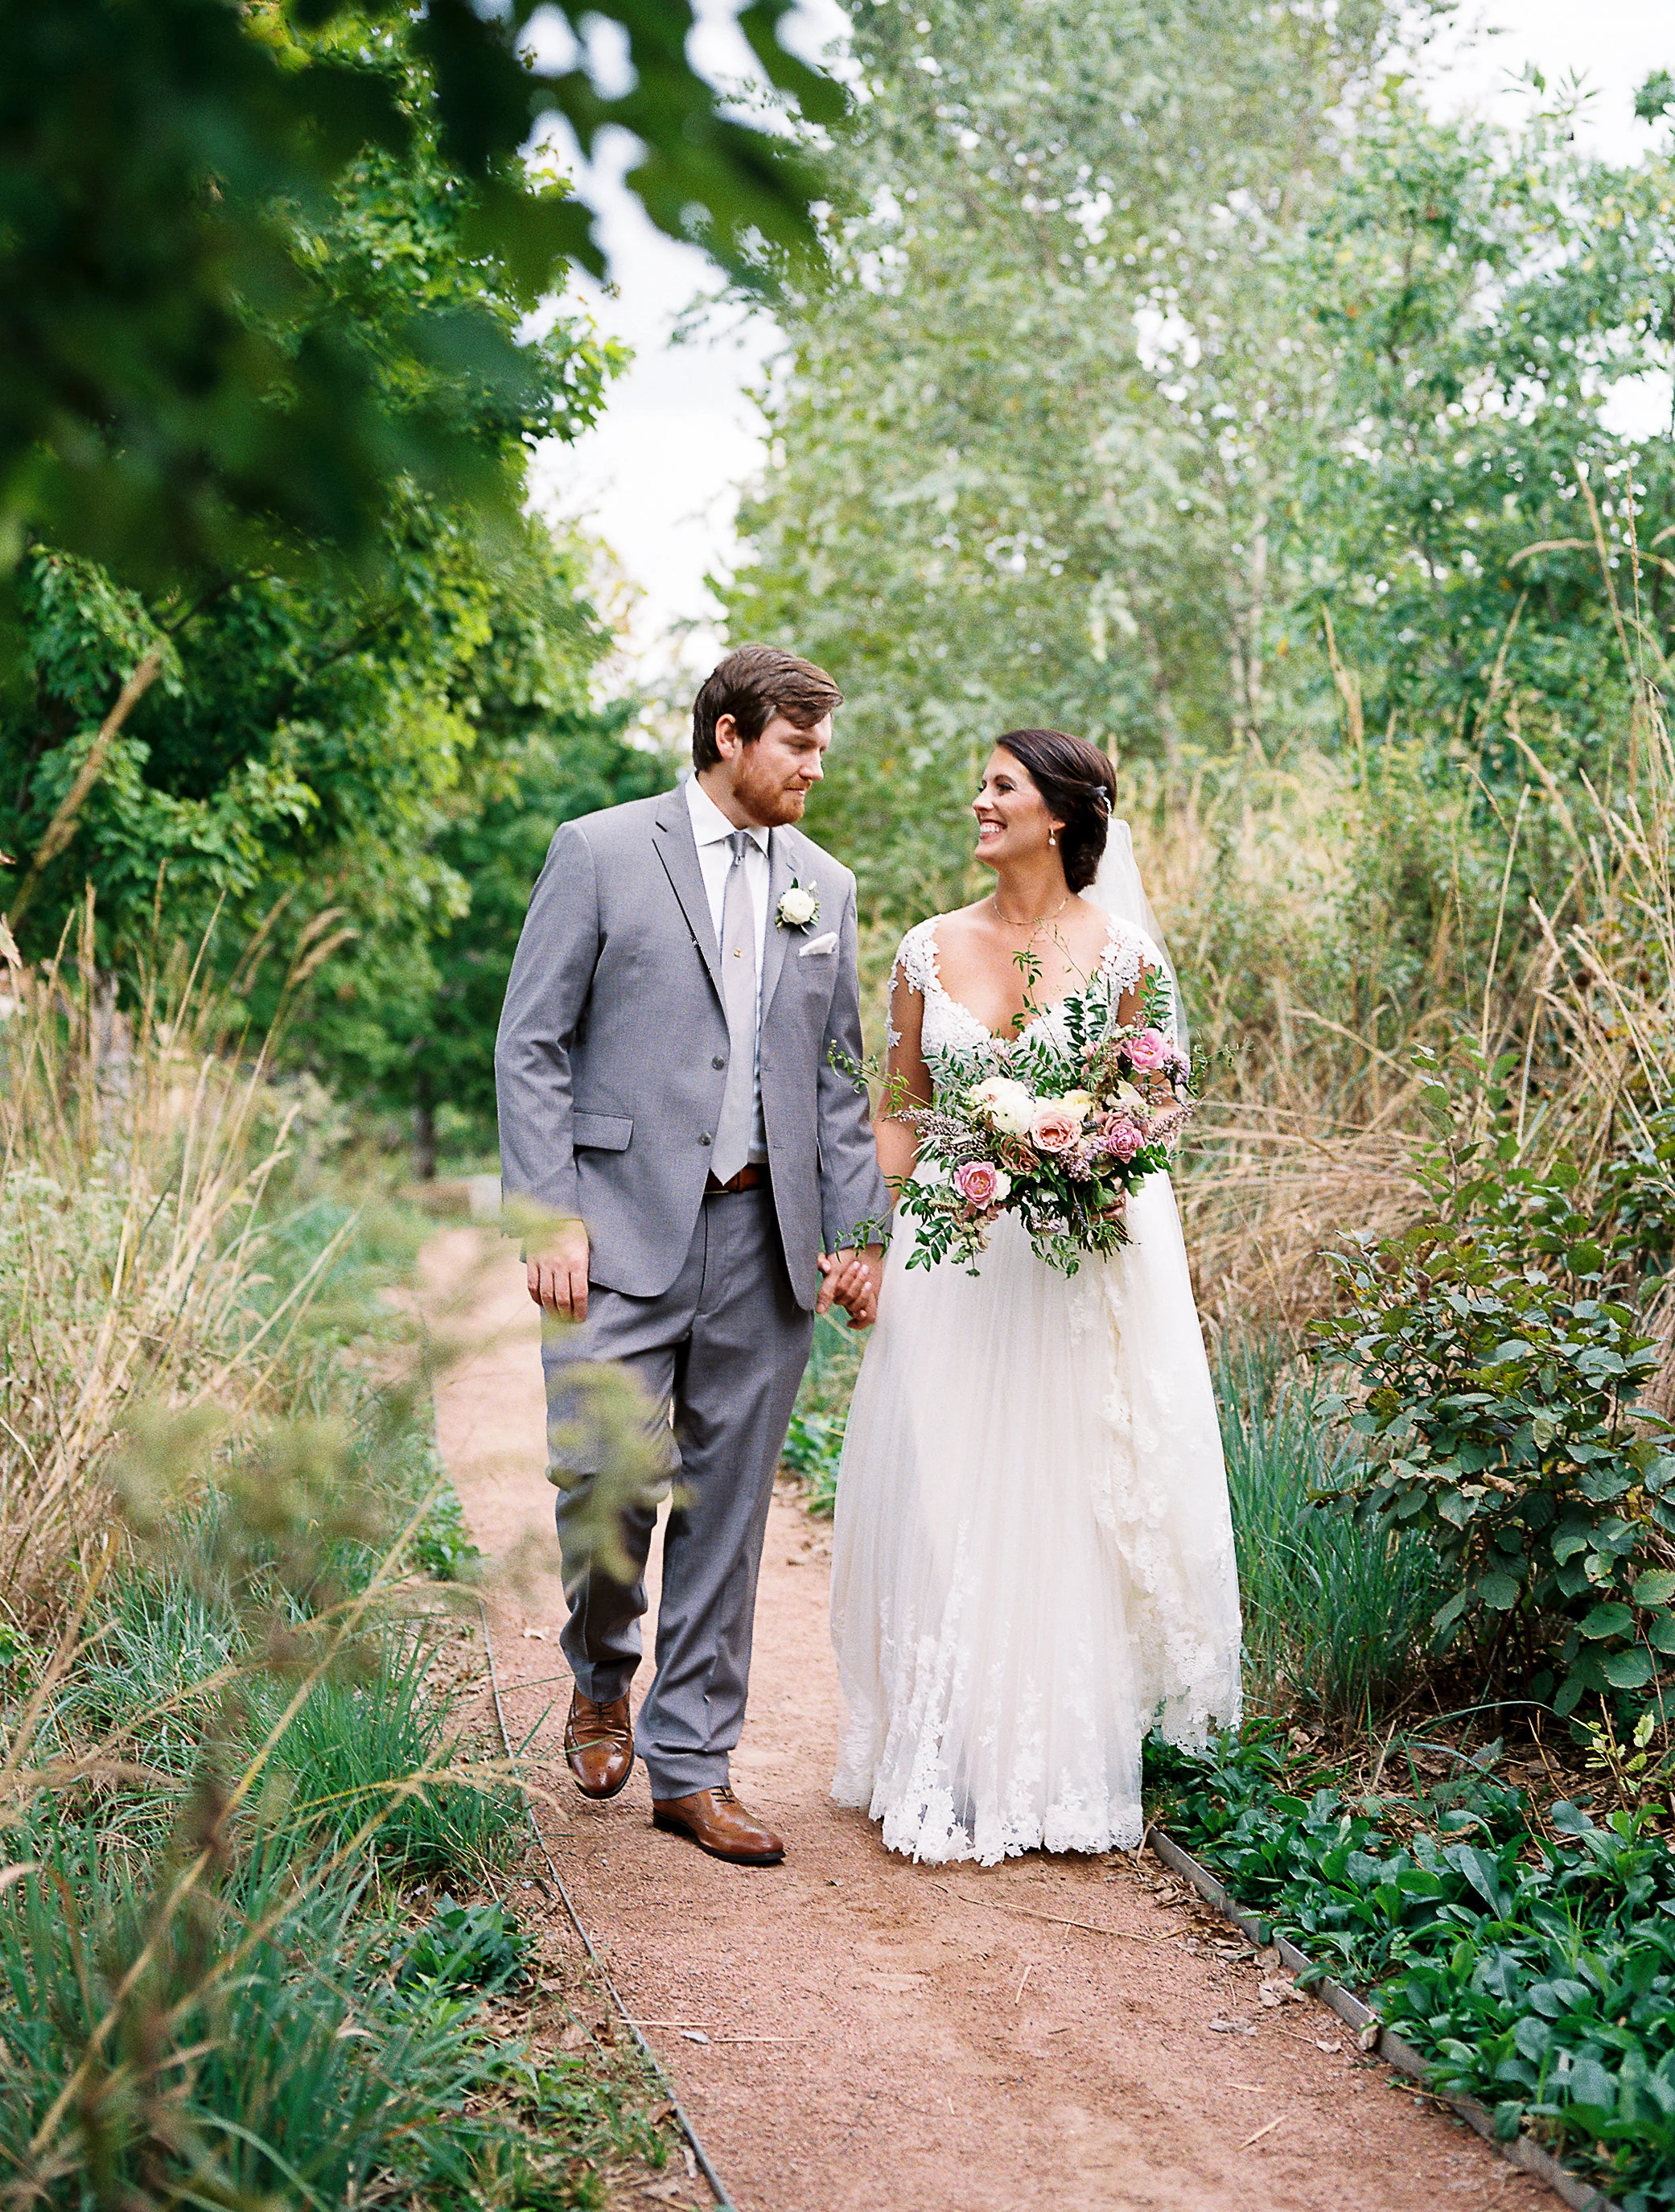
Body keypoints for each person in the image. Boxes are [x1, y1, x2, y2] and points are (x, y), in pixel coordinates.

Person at [496, 644, 889, 1868]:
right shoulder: (600, 851)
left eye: (821, 747)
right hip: (612, 1228)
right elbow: (533, 1044)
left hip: (766, 1239)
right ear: (729, 735)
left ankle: (695, 1764)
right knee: (604, 1474)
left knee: (726, 1506)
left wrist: (860, 1232)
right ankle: (602, 1671)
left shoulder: (825, 886)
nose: (816, 767)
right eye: (799, 744)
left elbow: (837, 1079)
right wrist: (548, 1212)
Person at [829, 730, 1242, 1867]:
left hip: (1070, 1257)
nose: (979, 801)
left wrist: (1078, 1157)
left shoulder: (1125, 961)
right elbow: (898, 1113)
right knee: (943, 1490)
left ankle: (1052, 1765)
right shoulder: (926, 949)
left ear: (1058, 813)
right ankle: (941, 1753)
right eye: (981, 784)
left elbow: (1154, 1111)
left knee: (1056, 1500)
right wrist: (870, 1243)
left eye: (1000, 786)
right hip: (951, 1257)